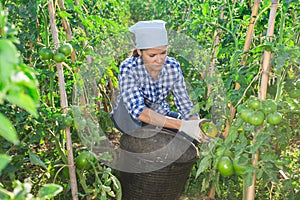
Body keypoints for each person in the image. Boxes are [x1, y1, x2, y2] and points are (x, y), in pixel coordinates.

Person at [111, 20, 210, 143]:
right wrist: (182, 125)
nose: (159, 60)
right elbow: (138, 111)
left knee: (191, 139)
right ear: (139, 52)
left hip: (158, 114)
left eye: (163, 53)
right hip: (129, 118)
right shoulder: (129, 68)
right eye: (152, 55)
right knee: (145, 138)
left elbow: (184, 104)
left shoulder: (172, 66)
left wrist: (194, 125)